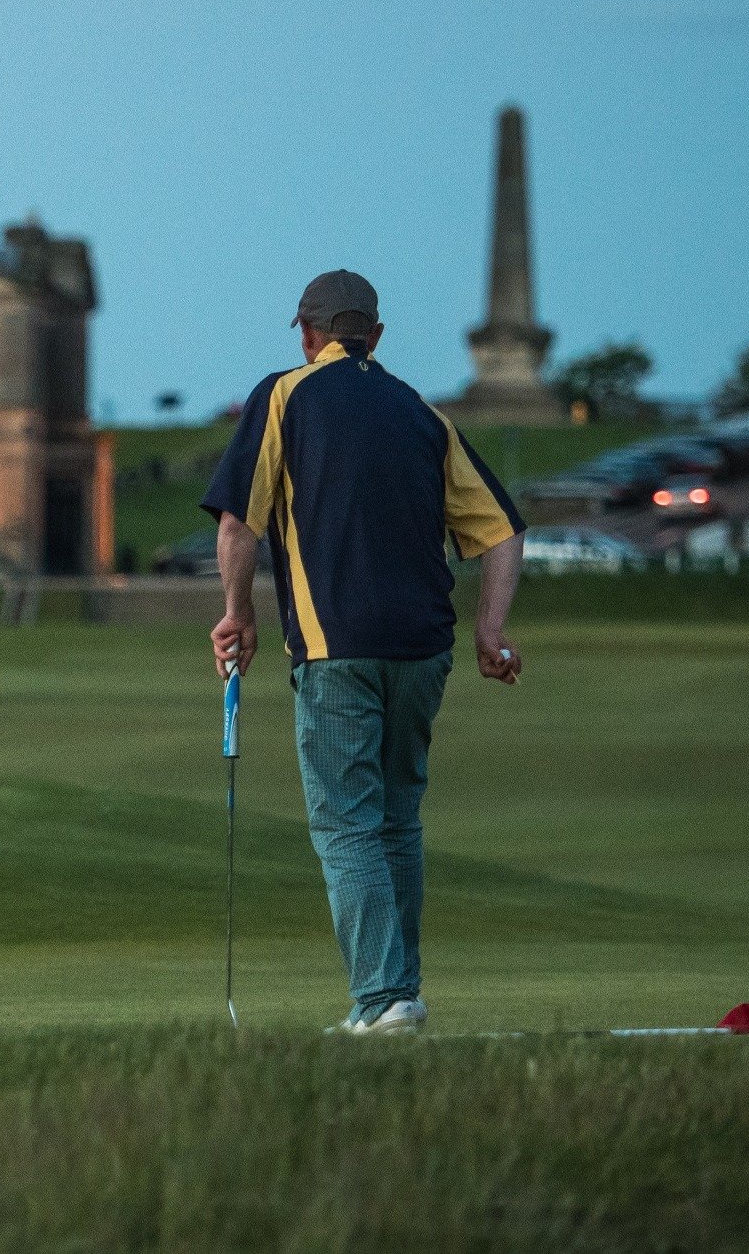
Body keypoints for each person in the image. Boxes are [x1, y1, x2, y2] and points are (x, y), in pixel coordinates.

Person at [201, 270, 526, 1038]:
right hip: (424, 650)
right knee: (396, 822)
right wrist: (490, 632)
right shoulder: (422, 413)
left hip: (334, 643)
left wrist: (235, 614)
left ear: (308, 334)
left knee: (347, 825)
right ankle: (399, 993)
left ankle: (383, 1000)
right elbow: (504, 533)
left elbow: (236, 524)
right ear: (374, 335)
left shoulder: (284, 395)